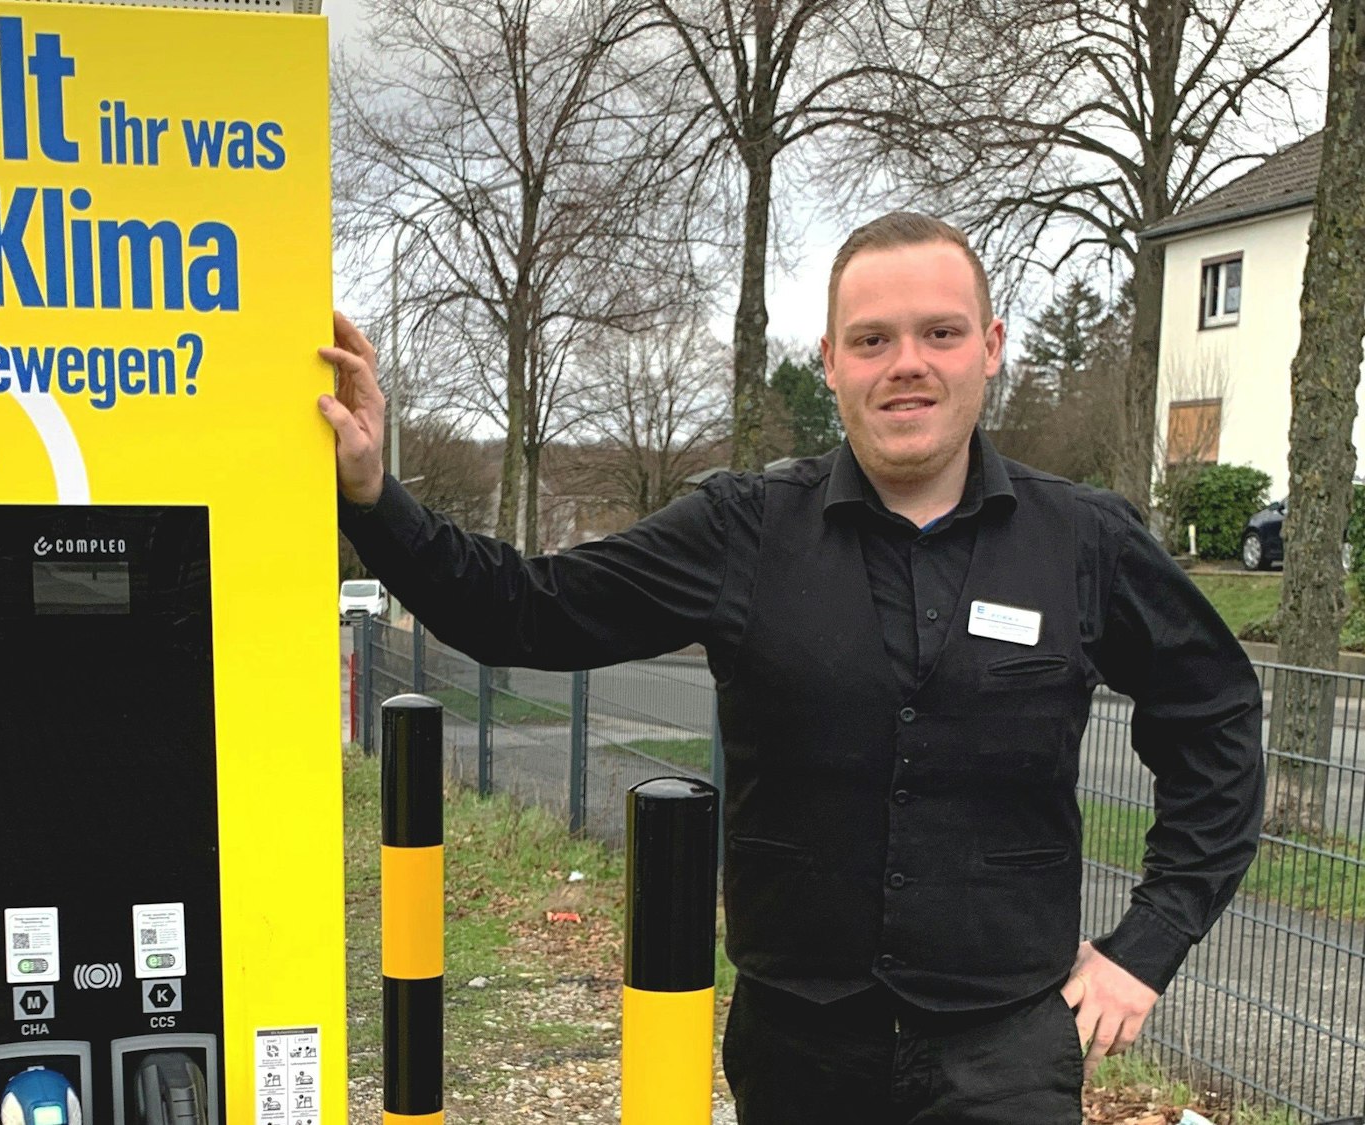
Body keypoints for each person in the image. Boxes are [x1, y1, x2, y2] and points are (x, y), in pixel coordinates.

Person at [316, 212, 1263, 1123]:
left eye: (940, 332)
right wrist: (373, 496)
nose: (907, 364)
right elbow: (526, 609)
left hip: (1004, 1054)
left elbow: (1215, 716)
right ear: (831, 361)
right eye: (872, 339)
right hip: (801, 1050)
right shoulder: (745, 530)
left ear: (991, 346)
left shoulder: (1083, 540)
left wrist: (1147, 946)